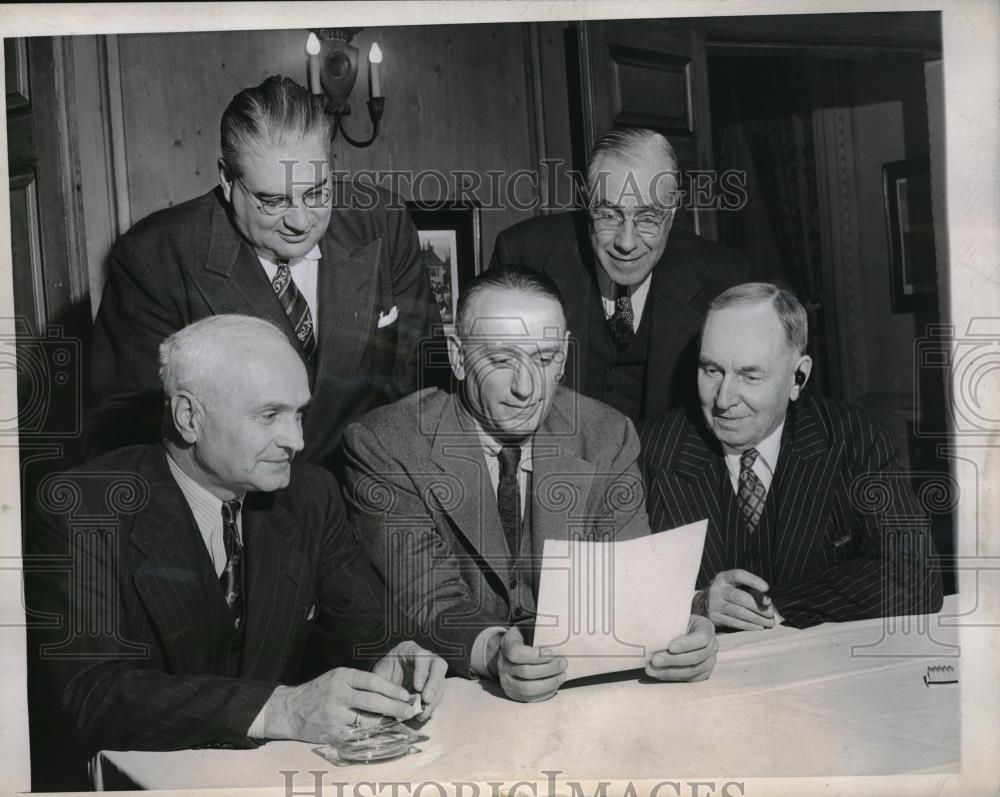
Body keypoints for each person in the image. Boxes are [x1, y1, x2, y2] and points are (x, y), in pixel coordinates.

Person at [28, 315, 446, 757]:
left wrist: (398, 656)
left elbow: (367, 631)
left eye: (299, 414)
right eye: (270, 415)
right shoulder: (85, 507)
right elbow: (92, 694)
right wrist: (281, 708)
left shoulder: (309, 495)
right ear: (189, 417)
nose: (297, 441)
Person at [342, 265, 717, 703]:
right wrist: (496, 652)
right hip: (453, 699)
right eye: (501, 360)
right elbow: (428, 599)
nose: (527, 389)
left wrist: (682, 628)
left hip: (583, 695)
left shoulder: (606, 435)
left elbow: (627, 583)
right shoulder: (386, 444)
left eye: (543, 359)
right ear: (459, 357)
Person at [87, 76, 439, 472]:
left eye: (317, 192)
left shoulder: (382, 223)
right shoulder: (156, 255)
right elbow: (125, 430)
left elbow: (423, 385)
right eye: (273, 201)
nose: (301, 221)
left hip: (368, 491)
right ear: (227, 179)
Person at [641, 283, 943, 630]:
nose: (723, 399)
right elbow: (613, 593)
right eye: (712, 370)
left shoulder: (854, 439)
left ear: (798, 377)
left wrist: (772, 607)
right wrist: (698, 603)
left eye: (750, 375)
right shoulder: (650, 448)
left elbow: (916, 578)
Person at [492, 127, 748, 423]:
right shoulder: (525, 255)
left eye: (648, 218)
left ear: (674, 208)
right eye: (608, 215)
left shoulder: (722, 279)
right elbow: (495, 391)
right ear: (587, 204)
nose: (626, 243)